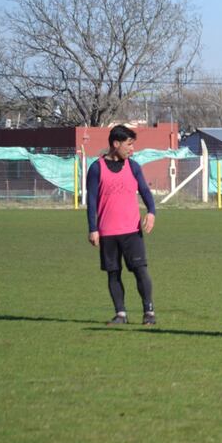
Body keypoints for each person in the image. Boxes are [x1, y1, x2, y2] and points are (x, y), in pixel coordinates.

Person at [86, 125, 157, 326]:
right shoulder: (96, 168)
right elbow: (91, 201)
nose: (132, 149)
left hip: (132, 231)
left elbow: (145, 192)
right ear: (116, 144)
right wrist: (93, 228)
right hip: (107, 232)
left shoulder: (133, 167)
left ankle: (149, 312)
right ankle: (121, 314)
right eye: (129, 144)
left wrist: (151, 212)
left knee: (140, 271)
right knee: (113, 273)